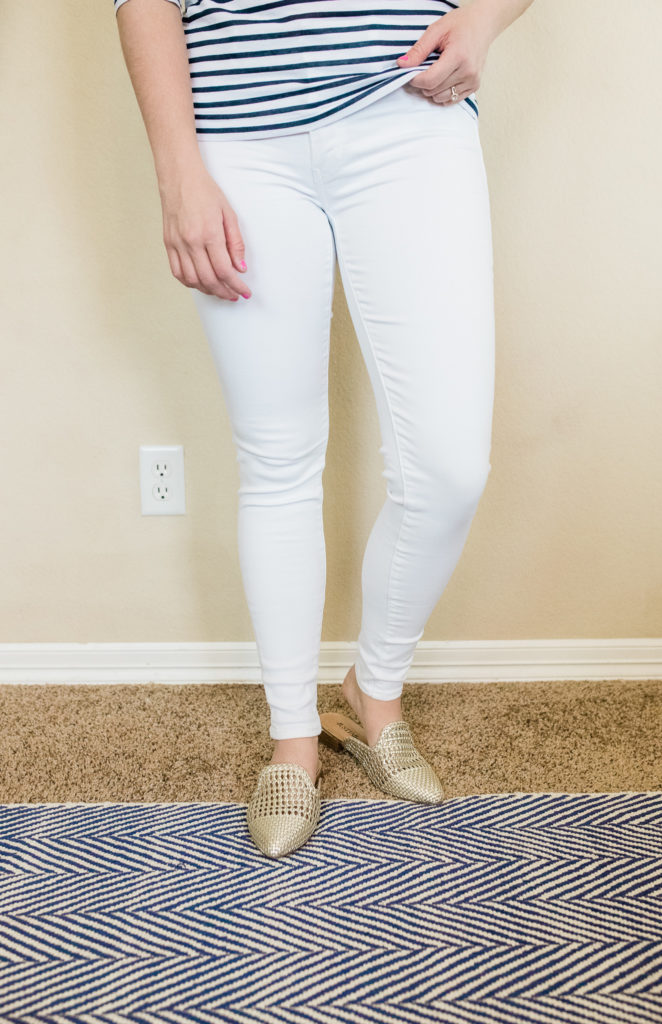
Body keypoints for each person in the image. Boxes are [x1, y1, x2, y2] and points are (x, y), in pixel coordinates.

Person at [114, 0, 535, 858]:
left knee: (448, 466)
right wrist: (178, 174)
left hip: (406, 113)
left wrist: (486, 19)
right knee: (276, 457)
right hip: (236, 136)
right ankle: (292, 738)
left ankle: (372, 688)